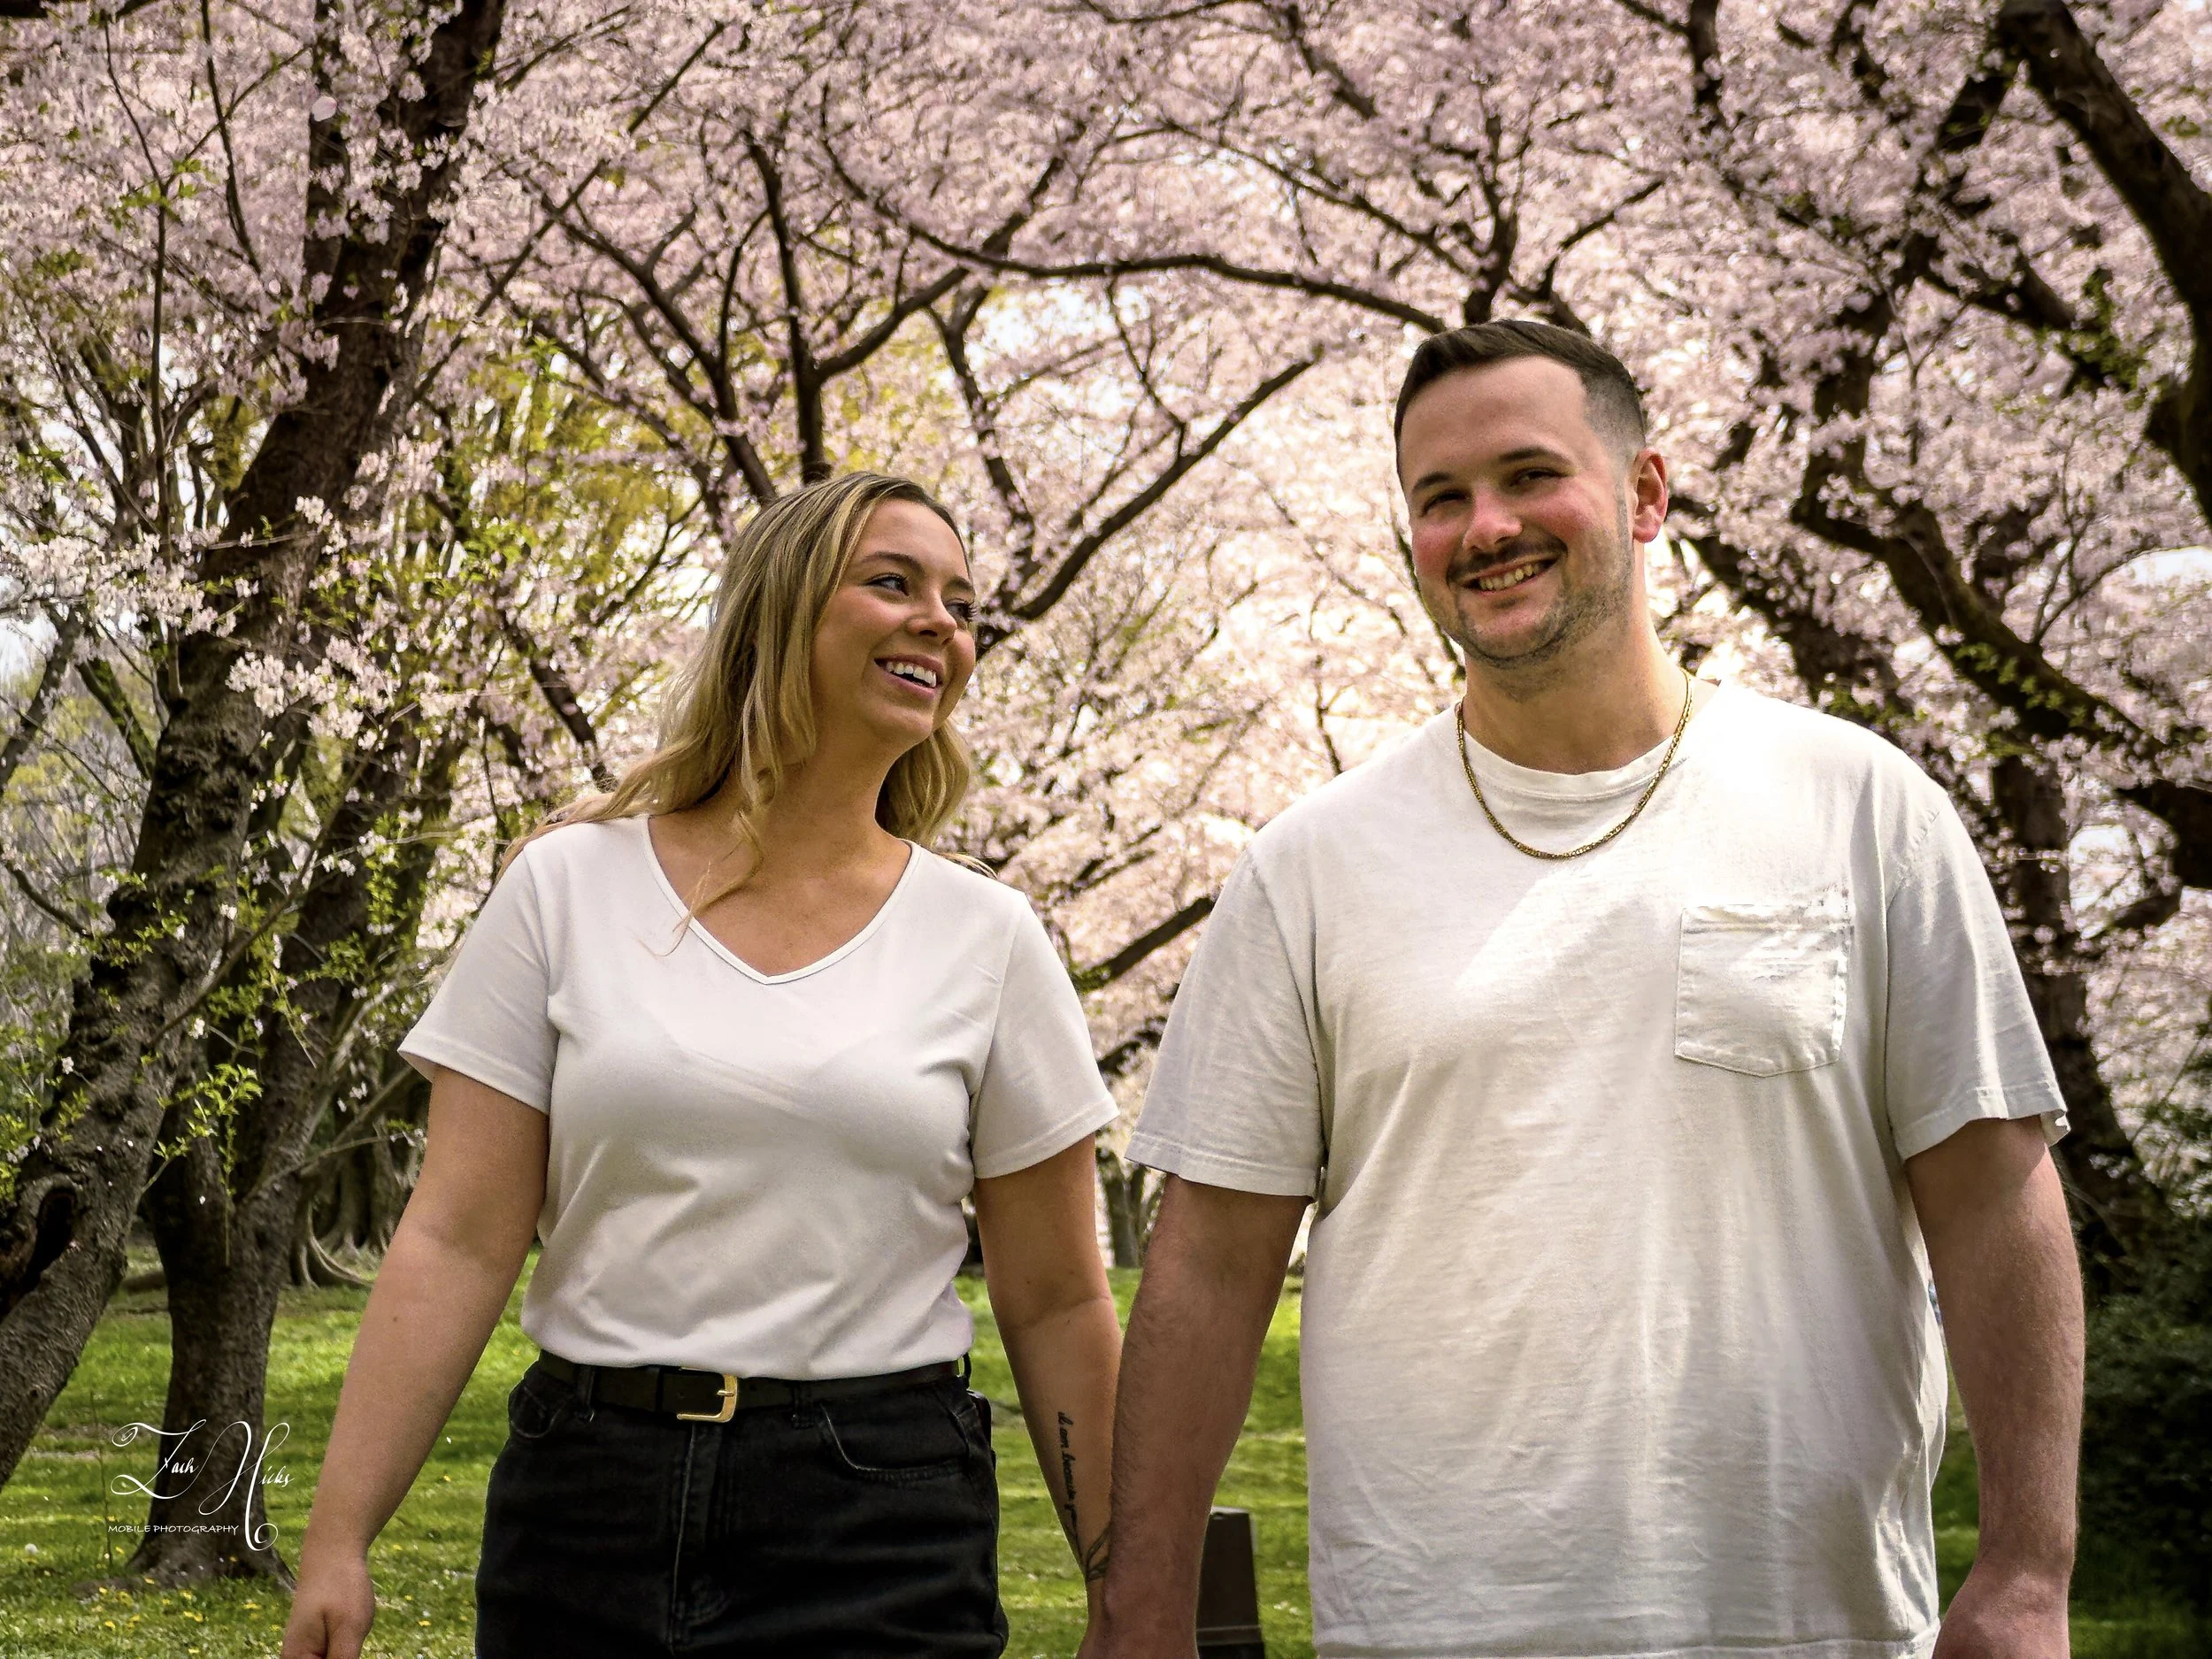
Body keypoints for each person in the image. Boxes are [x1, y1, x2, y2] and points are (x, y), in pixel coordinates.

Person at [1089, 322, 2083, 1659]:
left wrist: (2027, 1570)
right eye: (1441, 499)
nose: (1485, 525)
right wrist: (1140, 1606)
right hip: (1431, 1622)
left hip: (1809, 1622)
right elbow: (1211, 1258)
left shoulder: (1862, 807)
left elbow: (1990, 1186)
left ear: (1648, 493)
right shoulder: (1308, 867)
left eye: (1527, 475)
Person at [282, 472, 1122, 1659]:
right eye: (894, 583)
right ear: (779, 613)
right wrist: (338, 1536)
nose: (943, 620)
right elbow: (458, 1234)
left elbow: (1057, 1296)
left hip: (876, 1514)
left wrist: (1123, 1582)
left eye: (962, 601)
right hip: (587, 1503)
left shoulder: (990, 940)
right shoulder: (567, 886)